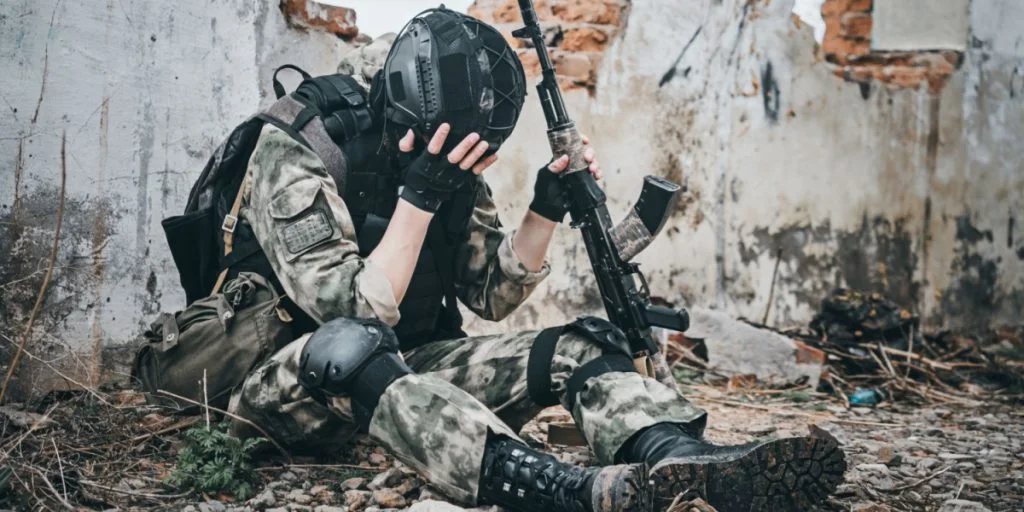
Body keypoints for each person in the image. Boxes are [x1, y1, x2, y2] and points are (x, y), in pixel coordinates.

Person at [217, 7, 845, 512]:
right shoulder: (301, 141)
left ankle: (678, 457)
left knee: (581, 344)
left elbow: (490, 293)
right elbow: (352, 315)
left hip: (410, 369)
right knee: (350, 347)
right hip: (288, 384)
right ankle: (561, 490)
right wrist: (421, 195)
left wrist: (544, 207)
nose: (463, 161)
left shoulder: (450, 136)